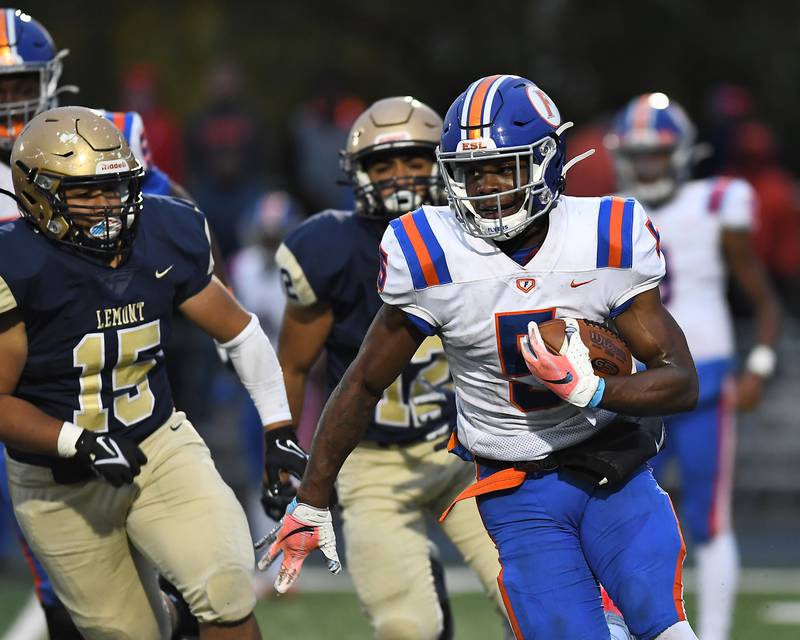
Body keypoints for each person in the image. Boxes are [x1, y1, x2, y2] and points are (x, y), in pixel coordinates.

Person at [259, 74, 702, 640]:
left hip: (611, 467)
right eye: (470, 172)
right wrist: (313, 498)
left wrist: (593, 390)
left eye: (504, 167)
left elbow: (680, 381)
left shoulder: (603, 234)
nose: (486, 187)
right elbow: (364, 381)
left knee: (665, 629)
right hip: (515, 485)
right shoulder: (431, 250)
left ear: (545, 162)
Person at [0, 106, 292, 639]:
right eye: (87, 193)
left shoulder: (160, 230)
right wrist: (77, 441)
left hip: (157, 444)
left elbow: (240, 329)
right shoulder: (15, 264)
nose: (109, 206)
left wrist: (278, 426)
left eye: (116, 188)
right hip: (57, 482)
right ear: (37, 196)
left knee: (227, 588)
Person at [270, 96, 506, 639]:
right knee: (407, 628)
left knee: (533, 601)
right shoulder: (326, 248)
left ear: (442, 165)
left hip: (474, 450)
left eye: (415, 160)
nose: (400, 175)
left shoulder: (483, 234)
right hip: (373, 464)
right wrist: (282, 446)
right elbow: (294, 364)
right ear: (358, 174)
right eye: (384, 163)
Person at [606, 93, 781, 640]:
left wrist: (759, 362)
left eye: (656, 153)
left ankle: (717, 632)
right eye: (638, 154)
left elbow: (764, 299)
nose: (647, 165)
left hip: (703, 379)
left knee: (708, 518)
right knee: (622, 513)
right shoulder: (604, 213)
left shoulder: (717, 201)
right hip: (636, 386)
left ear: (681, 154)